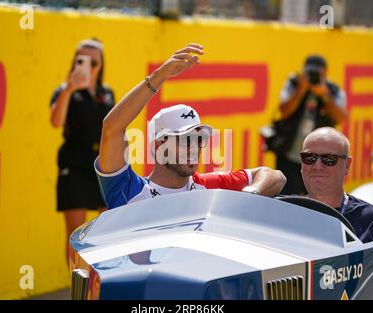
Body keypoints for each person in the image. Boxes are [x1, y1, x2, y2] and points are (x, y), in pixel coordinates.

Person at [95, 43, 286, 210]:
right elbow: (112, 128)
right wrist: (159, 76)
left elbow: (274, 176)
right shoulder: (130, 190)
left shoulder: (209, 187)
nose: (194, 147)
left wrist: (249, 196)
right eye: (185, 139)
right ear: (158, 146)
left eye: (199, 139)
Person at [49, 38, 115, 259]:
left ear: (101, 66)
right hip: (74, 168)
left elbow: (113, 130)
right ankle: (76, 288)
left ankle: (102, 286)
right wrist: (69, 89)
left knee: (106, 234)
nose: (88, 67)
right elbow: (55, 121)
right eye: (82, 60)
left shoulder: (107, 93)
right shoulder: (63, 91)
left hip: (101, 168)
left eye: (94, 63)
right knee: (75, 238)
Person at [300, 127, 373, 243]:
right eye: (309, 158)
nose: (317, 166)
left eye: (329, 159)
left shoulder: (371, 219)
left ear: (347, 165)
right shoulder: (288, 210)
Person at [276, 55, 347, 195]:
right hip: (290, 155)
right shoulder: (294, 83)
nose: (313, 77)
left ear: (325, 73)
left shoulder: (333, 90)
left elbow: (340, 117)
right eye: (310, 73)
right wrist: (300, 91)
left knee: (318, 201)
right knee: (287, 201)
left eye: (317, 73)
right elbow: (283, 111)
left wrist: (324, 95)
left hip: (319, 161)